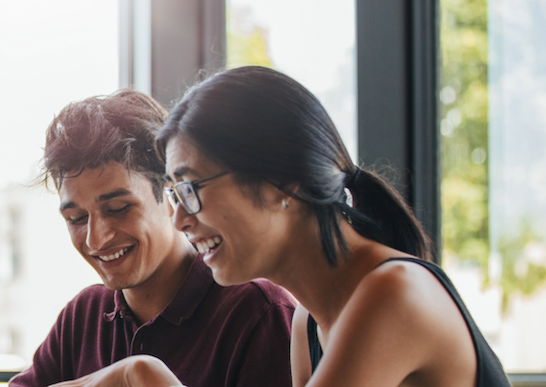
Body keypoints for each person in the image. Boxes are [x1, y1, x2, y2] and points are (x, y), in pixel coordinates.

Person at [141, 65, 508, 386]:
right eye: (175, 193)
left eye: (192, 188)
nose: (179, 220)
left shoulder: (394, 293)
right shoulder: (308, 324)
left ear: (282, 182)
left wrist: (145, 377)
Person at [9, 90, 296, 387]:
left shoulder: (257, 313)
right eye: (77, 219)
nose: (96, 239)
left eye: (119, 209)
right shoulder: (82, 317)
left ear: (172, 193)